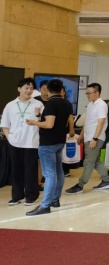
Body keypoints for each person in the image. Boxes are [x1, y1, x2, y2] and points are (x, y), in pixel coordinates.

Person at [25, 79, 73, 216]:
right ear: (61, 89)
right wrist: (39, 116)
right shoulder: (66, 103)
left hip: (48, 143)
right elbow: (62, 123)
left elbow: (49, 124)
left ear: (48, 90)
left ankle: (45, 205)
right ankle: (55, 200)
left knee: (49, 174)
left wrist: (34, 122)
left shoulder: (52, 103)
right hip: (59, 141)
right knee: (58, 172)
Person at [0, 77, 44, 206]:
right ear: (19, 89)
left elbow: (43, 122)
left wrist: (38, 116)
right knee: (16, 170)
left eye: (31, 88)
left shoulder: (38, 104)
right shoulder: (10, 105)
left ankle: (32, 195)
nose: (29, 90)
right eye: (26, 88)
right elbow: (4, 124)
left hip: (31, 142)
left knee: (30, 170)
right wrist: (10, 138)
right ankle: (17, 196)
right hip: (15, 142)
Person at [65, 83, 109, 194]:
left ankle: (80, 185)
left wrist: (94, 139)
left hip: (95, 138)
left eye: (89, 93)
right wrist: (81, 135)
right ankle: (106, 181)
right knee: (96, 160)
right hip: (88, 136)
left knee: (88, 162)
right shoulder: (90, 105)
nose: (87, 95)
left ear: (97, 93)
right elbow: (88, 122)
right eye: (87, 93)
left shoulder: (101, 105)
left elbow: (101, 123)